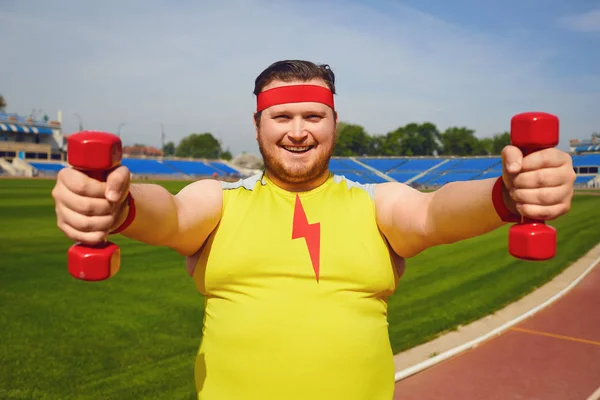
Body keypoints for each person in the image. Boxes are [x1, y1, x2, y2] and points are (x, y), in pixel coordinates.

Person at [51, 60, 576, 399]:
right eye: (281, 117)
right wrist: (114, 206)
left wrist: (506, 197)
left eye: (313, 116)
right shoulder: (219, 202)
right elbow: (170, 213)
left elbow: (432, 214)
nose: (298, 132)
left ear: (334, 123)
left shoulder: (375, 204)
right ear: (257, 126)